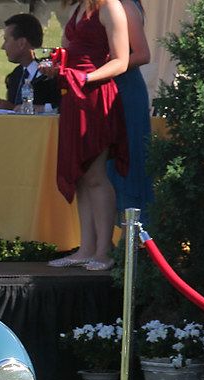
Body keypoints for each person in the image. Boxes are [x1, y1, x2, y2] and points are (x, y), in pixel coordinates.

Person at [40, 0, 129, 271]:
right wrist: (57, 68)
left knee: (95, 175)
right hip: (74, 96)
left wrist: (85, 78)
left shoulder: (111, 6)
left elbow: (121, 61)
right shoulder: (78, 7)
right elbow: (69, 52)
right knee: (80, 176)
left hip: (95, 95)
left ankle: (103, 251)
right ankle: (86, 248)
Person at [106, 0, 153, 224]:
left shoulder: (125, 5)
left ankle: (136, 236)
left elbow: (143, 54)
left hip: (125, 91)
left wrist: (102, 67)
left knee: (129, 161)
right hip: (106, 91)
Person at [0, 13, 62, 111]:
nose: (3, 47)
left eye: (6, 40)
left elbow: (61, 107)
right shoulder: (15, 76)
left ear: (21, 43)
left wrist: (16, 108)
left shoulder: (50, 74)